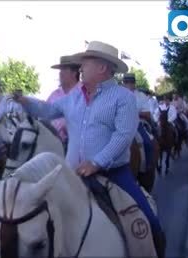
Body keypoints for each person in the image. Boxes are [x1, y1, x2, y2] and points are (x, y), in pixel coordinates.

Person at [14, 41, 165, 257]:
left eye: (85, 63)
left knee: (148, 221)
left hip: (114, 175)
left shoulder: (123, 98)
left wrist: (97, 162)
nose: (80, 68)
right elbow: (48, 111)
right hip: (72, 174)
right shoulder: (74, 96)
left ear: (102, 68)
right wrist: (25, 101)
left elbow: (123, 135)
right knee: (35, 216)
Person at [46, 55, 82, 148]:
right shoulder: (54, 94)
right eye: (60, 70)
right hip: (50, 144)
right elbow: (45, 113)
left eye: (64, 70)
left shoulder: (85, 93)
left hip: (76, 146)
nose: (60, 74)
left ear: (74, 73)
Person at [122, 73, 154, 172]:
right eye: (126, 82)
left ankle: (148, 165)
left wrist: (135, 112)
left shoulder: (141, 96)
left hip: (135, 124)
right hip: (118, 124)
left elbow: (148, 113)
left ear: (134, 83)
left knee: (147, 142)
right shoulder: (117, 94)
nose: (128, 84)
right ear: (123, 83)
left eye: (131, 82)